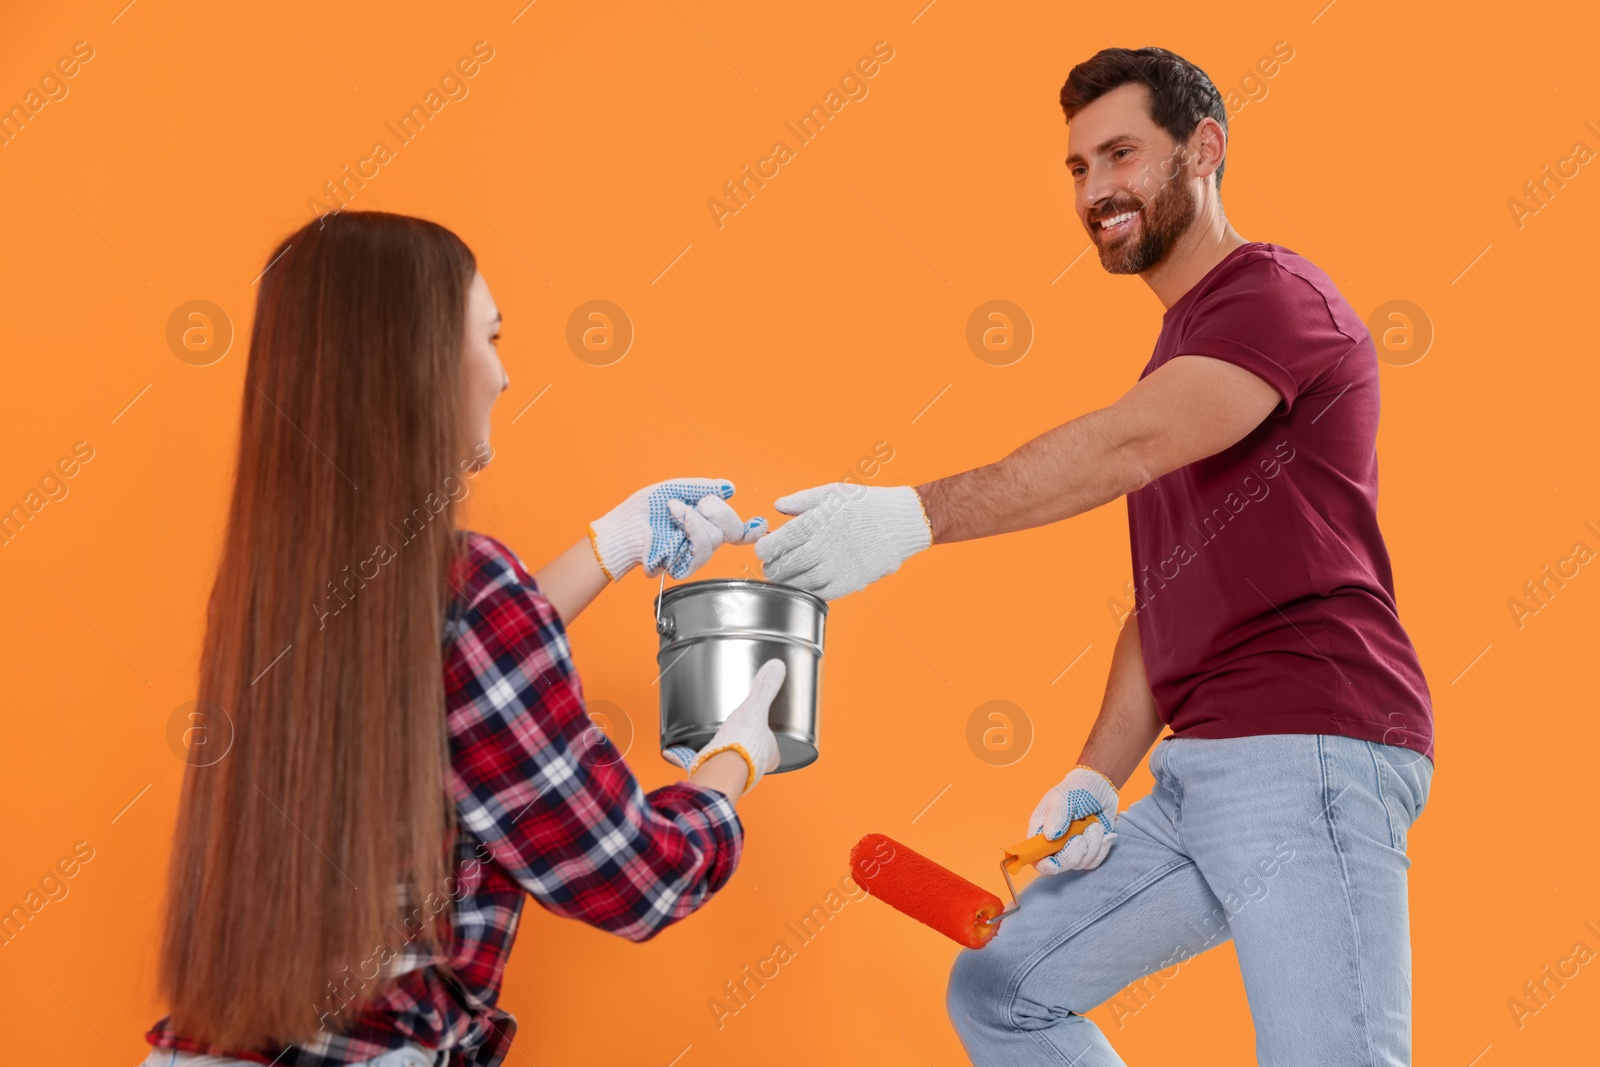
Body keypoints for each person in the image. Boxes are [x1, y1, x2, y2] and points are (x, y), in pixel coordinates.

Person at [755, 47, 1434, 1064]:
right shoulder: (1181, 352)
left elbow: (1123, 446)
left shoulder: (1270, 298)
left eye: (1119, 153)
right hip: (1200, 767)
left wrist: (908, 517)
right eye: (1076, 167)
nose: (1094, 189)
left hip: (1310, 742)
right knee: (1002, 985)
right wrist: (1090, 774)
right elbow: (1170, 599)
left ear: (1203, 149)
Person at [141, 210, 784, 1067]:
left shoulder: (270, 586)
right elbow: (638, 881)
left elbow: (437, 674)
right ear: (421, 367)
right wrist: (734, 763)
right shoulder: (471, 593)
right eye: (489, 336)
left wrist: (615, 543)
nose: (506, 375)